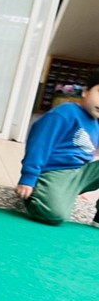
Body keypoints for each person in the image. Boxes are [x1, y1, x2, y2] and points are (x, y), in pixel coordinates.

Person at [16, 71, 99, 227]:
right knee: (55, 215)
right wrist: (28, 178)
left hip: (79, 173)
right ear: (85, 91)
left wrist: (75, 186)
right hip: (55, 172)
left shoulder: (96, 123)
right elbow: (39, 145)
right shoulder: (65, 113)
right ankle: (39, 196)